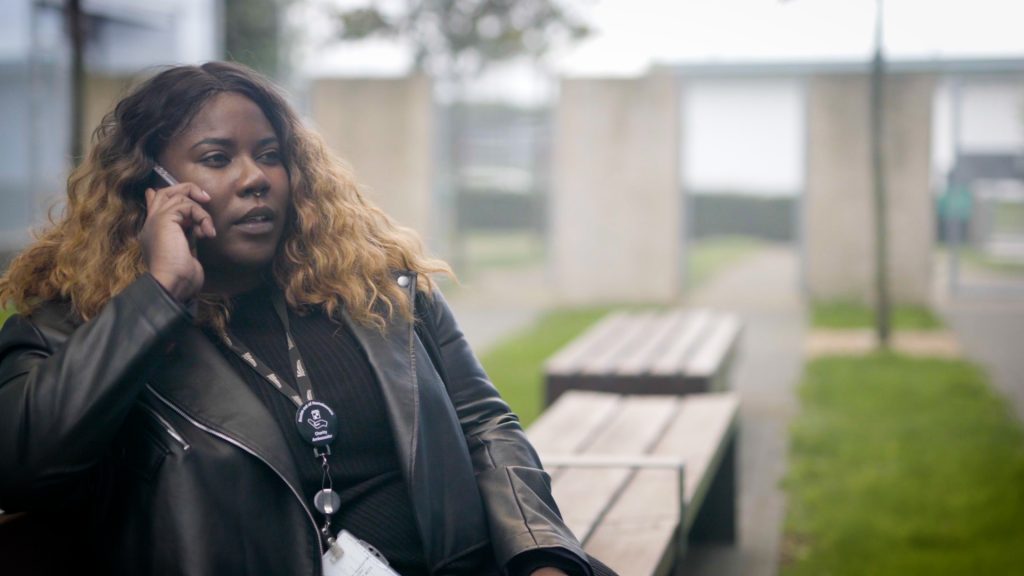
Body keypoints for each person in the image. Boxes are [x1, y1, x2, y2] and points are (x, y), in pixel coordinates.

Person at [0, 62, 615, 576]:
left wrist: (542, 555)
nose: (255, 179)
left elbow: (484, 424)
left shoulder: (376, 285)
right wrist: (157, 295)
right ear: (148, 189)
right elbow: (21, 465)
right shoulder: (78, 327)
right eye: (218, 158)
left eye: (269, 155)